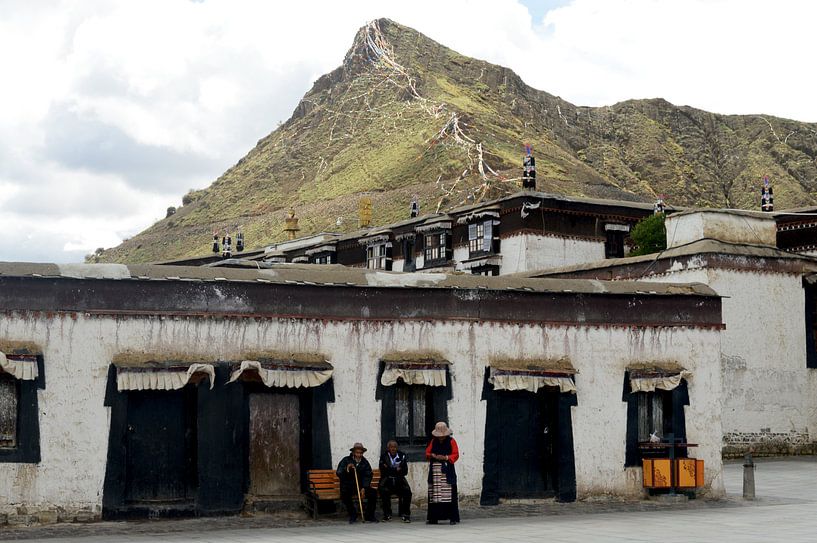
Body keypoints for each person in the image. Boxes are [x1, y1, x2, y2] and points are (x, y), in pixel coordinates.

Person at [425, 421, 460, 525]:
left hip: (447, 469)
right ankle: (433, 518)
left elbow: (456, 454)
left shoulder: (451, 441)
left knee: (449, 494)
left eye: (442, 436)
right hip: (435, 471)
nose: (440, 438)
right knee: (434, 494)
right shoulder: (433, 441)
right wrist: (432, 455)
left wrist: (446, 457)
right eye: (439, 436)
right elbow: (427, 452)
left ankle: (452, 517)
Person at [336, 442, 378, 523]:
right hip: (348, 486)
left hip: (361, 486)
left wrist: (364, 487)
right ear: (353, 452)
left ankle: (369, 515)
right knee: (345, 495)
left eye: (361, 453)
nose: (359, 455)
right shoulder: (346, 460)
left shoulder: (365, 462)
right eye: (357, 453)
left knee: (373, 493)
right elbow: (339, 472)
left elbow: (368, 475)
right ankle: (353, 514)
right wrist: (347, 468)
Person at [378, 440, 412, 522]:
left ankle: (406, 514)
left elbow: (405, 471)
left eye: (395, 447)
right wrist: (396, 469)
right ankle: (387, 514)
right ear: (388, 448)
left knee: (407, 492)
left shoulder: (401, 455)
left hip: (399, 481)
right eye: (391, 447)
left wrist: (390, 469)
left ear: (397, 448)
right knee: (384, 491)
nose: (393, 449)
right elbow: (383, 471)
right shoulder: (384, 456)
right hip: (387, 482)